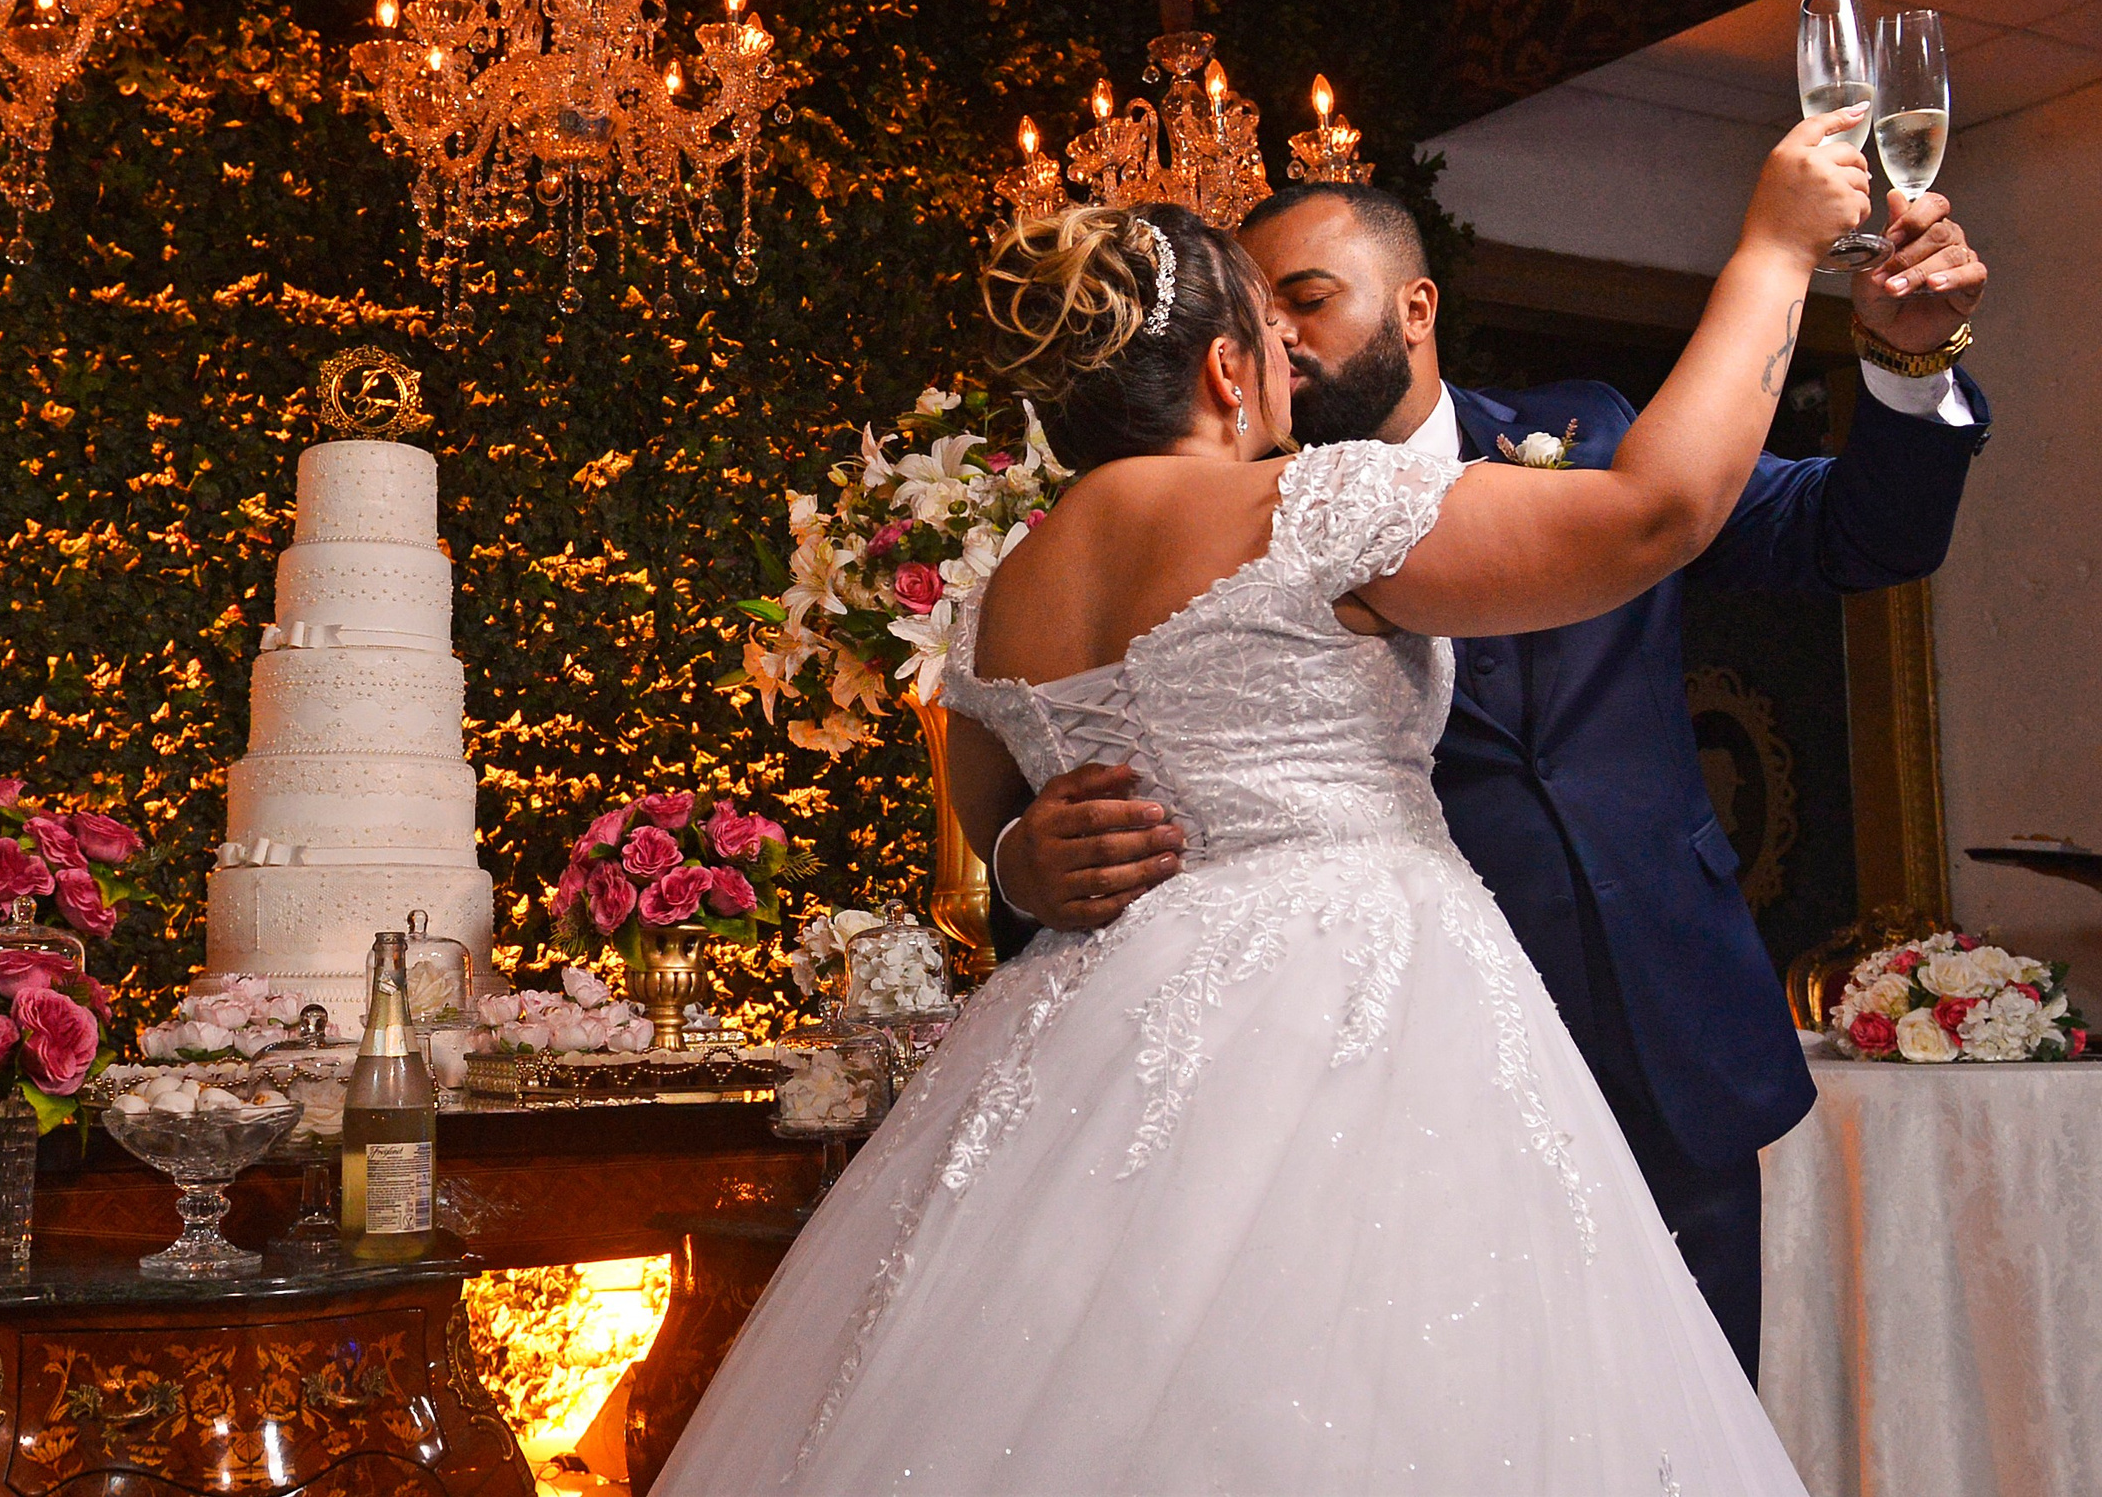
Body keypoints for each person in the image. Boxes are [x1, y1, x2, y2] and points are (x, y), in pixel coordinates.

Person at [657, 109, 1873, 1495]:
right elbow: (1655, 512)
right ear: (1229, 368)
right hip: (1366, 1003)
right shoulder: (1307, 504)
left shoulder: (1005, 590)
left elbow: (987, 824)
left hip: (1097, 1037)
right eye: (1273, 339)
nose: (1294, 362)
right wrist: (1777, 249)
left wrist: (1018, 859)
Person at [990, 173, 1989, 1379]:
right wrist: (1017, 860)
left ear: (1414, 305)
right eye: (1264, 315)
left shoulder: (1591, 430)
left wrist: (1903, 369)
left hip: (1658, 1037)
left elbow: (1857, 533)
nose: (1285, 340)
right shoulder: (1277, 505)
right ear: (1221, 360)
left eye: (1307, 297)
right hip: (1363, 1069)